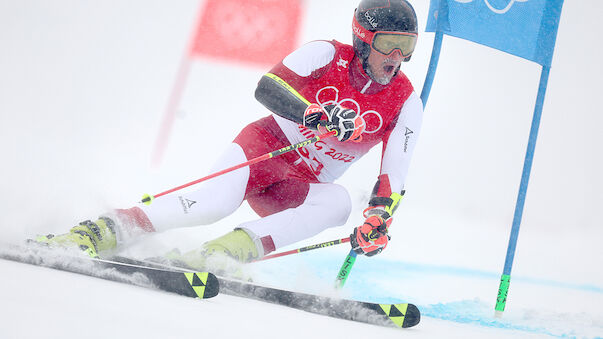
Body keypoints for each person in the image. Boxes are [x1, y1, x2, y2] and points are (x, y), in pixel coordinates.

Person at [35, 0, 423, 272]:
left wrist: (378, 218)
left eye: (406, 47)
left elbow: (394, 174)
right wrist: (313, 114)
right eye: (389, 44)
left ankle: (221, 253)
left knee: (338, 205)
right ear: (362, 37)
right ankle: (100, 231)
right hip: (263, 150)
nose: (396, 57)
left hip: (296, 186)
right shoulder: (325, 53)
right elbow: (267, 86)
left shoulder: (405, 100)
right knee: (212, 204)